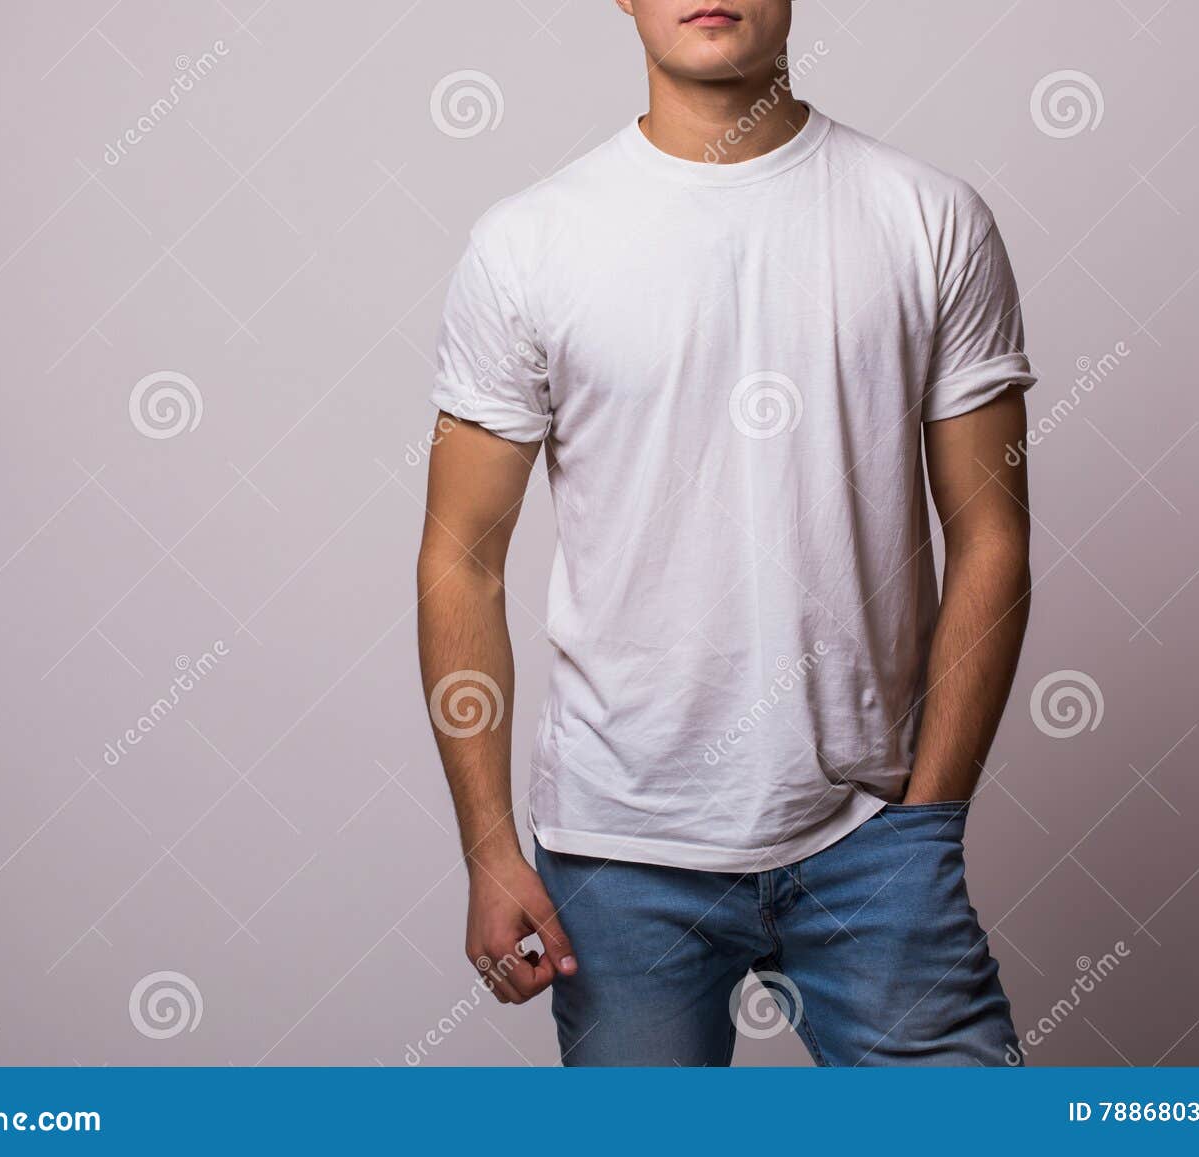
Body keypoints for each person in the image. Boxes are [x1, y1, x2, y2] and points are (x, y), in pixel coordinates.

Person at [417, 0, 1035, 1066]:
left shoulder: (927, 216)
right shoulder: (529, 242)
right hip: (618, 853)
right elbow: (459, 557)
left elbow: (990, 536)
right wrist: (485, 844)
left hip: (870, 836)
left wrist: (929, 819)